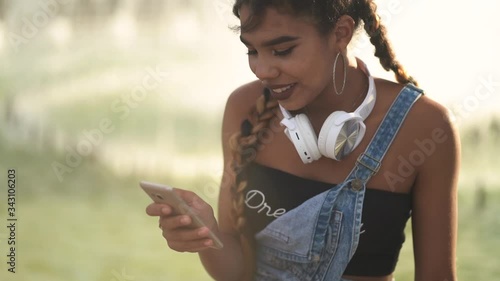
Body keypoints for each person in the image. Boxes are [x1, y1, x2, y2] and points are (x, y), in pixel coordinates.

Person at [146, 0, 460, 280]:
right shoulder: (244, 108)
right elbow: (237, 272)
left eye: (282, 50)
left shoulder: (424, 127)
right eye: (252, 50)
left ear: (341, 33)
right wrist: (206, 234)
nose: (263, 70)